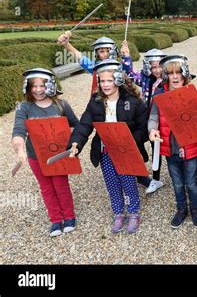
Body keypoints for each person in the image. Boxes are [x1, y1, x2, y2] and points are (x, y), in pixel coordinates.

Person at [68, 59, 148, 234]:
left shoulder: (133, 102)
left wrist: (129, 140)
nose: (105, 85)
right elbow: (84, 125)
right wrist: (75, 143)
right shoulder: (95, 101)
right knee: (112, 183)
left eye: (109, 80)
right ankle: (118, 213)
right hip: (105, 151)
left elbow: (144, 128)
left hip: (126, 150)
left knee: (128, 182)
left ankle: (133, 213)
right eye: (102, 81)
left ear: (118, 79)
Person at [12, 68, 79, 237]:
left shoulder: (61, 105)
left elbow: (76, 125)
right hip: (36, 156)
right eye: (34, 86)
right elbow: (19, 130)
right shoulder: (24, 107)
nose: (38, 90)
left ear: (50, 85)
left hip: (58, 156)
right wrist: (20, 150)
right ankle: (56, 219)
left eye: (42, 85)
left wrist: (71, 140)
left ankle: (69, 216)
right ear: (28, 87)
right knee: (46, 189)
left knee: (61, 186)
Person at [148, 55, 197, 229]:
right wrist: (152, 129)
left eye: (178, 72)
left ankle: (195, 208)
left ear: (184, 73)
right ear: (165, 75)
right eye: (170, 73)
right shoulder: (159, 94)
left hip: (190, 147)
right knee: (177, 183)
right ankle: (181, 209)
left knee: (192, 183)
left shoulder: (193, 94)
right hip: (170, 148)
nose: (175, 76)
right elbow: (154, 117)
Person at [130, 48, 167, 194]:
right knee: (136, 138)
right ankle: (143, 157)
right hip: (146, 116)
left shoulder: (167, 80)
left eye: (159, 66)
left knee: (156, 148)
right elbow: (131, 75)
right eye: (153, 67)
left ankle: (156, 179)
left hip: (159, 119)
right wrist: (126, 56)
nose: (157, 70)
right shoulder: (146, 79)